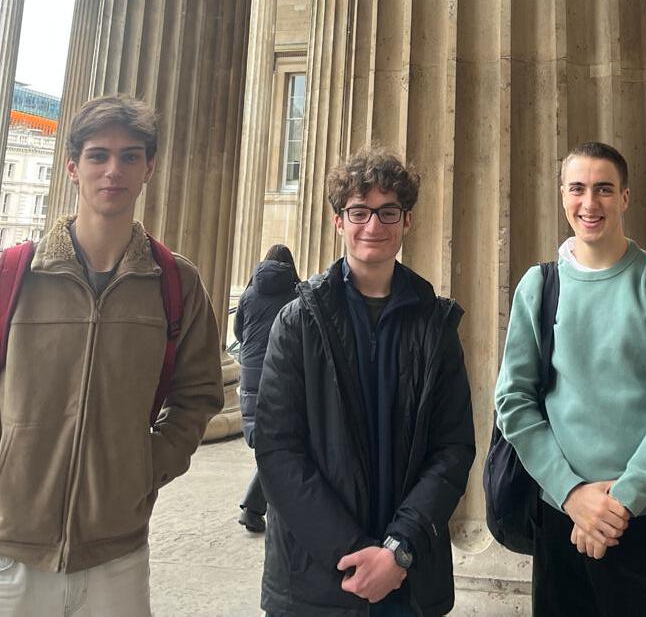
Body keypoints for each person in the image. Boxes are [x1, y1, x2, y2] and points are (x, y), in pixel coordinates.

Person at [0, 95, 223, 615]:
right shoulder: (14, 275)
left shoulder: (176, 282)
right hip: (11, 543)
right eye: (98, 155)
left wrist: (145, 467)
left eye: (130, 156)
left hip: (116, 549)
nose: (113, 170)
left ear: (149, 169)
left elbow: (198, 394)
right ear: (72, 167)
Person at [494, 141, 646, 616]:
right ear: (562, 195)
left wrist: (622, 502)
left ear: (625, 197)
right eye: (577, 189)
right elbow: (513, 401)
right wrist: (572, 493)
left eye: (604, 189)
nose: (589, 203)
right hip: (562, 519)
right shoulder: (539, 286)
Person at [253, 149, 476, 617]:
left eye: (387, 211)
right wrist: (353, 551)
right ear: (339, 221)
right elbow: (277, 449)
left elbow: (452, 448)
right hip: (319, 577)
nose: (373, 225)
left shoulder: (435, 324)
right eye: (359, 211)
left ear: (406, 221)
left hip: (407, 577)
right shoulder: (297, 321)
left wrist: (398, 550)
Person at [235, 243, 299, 533]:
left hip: (250, 370)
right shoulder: (295, 294)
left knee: (271, 440)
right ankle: (254, 506)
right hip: (281, 370)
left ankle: (257, 506)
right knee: (283, 442)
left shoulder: (249, 294)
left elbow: (239, 332)